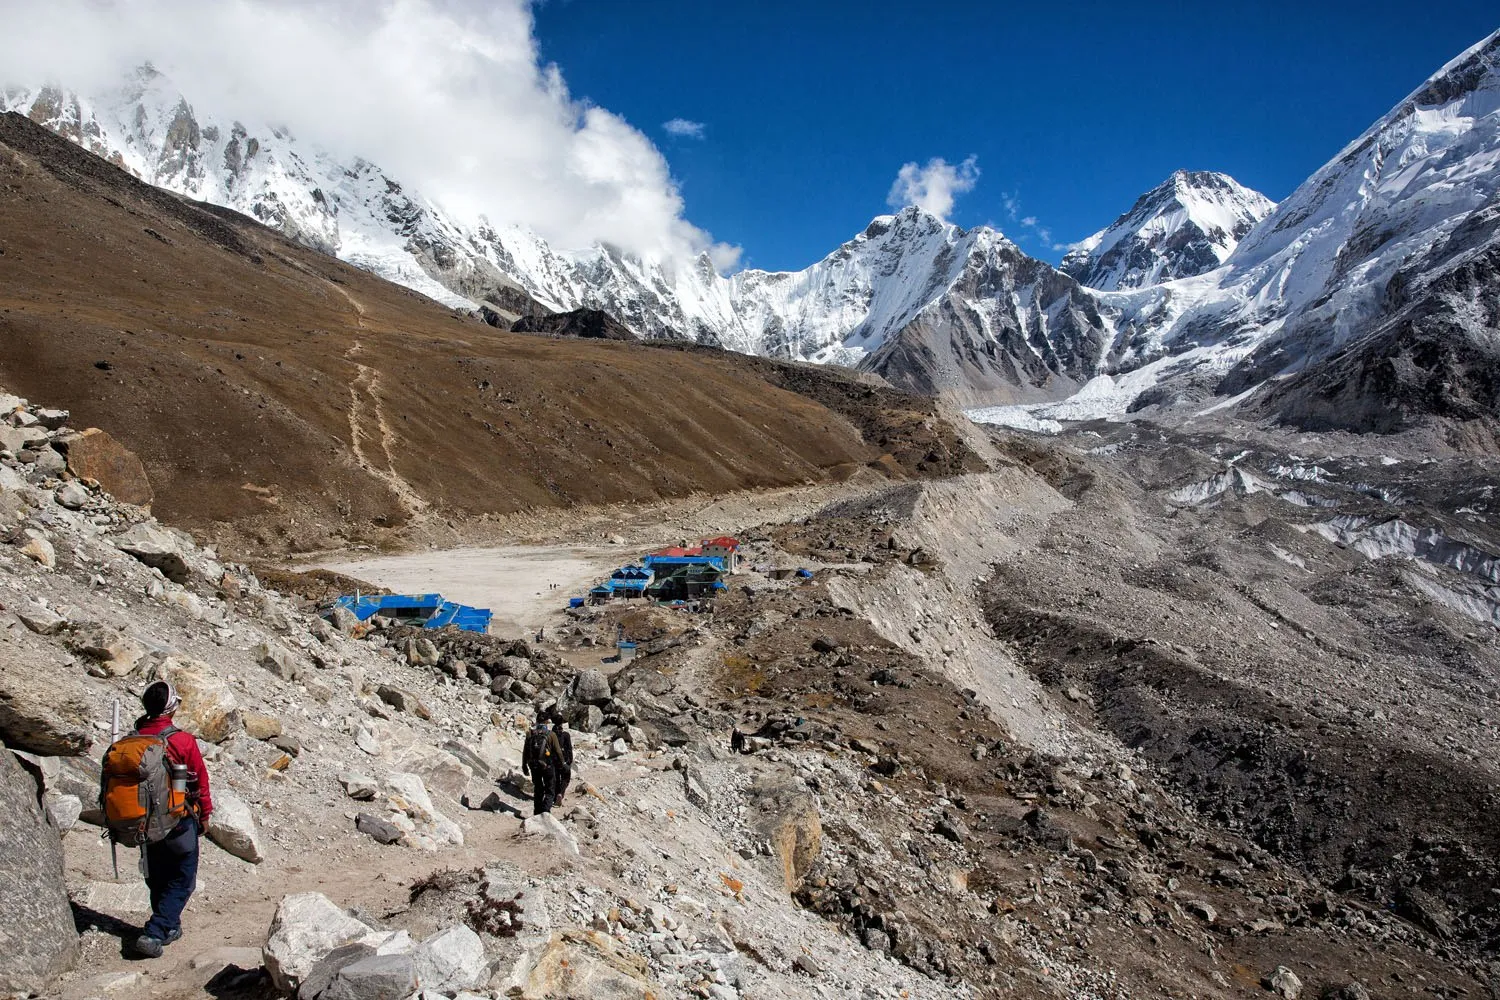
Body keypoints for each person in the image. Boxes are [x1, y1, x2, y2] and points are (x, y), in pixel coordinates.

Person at [132, 681, 213, 959]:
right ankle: (155, 932)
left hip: (143, 819)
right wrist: (205, 813)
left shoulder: (132, 739)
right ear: (170, 709)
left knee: (157, 875)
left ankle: (169, 925)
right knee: (182, 876)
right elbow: (199, 781)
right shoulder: (182, 740)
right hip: (177, 817)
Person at [520, 713, 564, 815]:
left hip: (534, 766)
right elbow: (558, 751)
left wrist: (524, 766)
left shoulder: (530, 733)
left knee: (538, 789)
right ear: (547, 721)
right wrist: (562, 763)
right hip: (547, 765)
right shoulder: (551, 734)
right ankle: (545, 811)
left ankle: (537, 812)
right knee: (550, 789)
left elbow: (525, 751)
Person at [550, 710, 574, 805]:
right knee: (566, 777)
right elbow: (569, 749)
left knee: (556, 779)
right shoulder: (566, 735)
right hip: (564, 760)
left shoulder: (550, 734)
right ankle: (561, 793)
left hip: (553, 760)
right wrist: (570, 761)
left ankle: (555, 796)